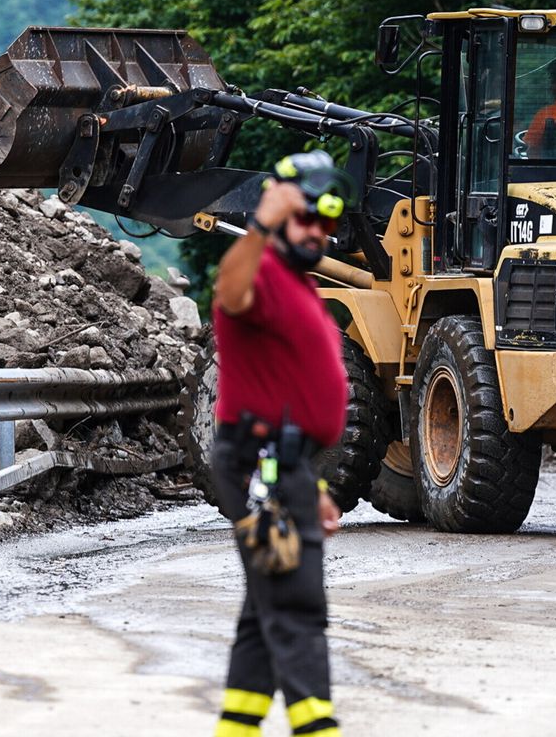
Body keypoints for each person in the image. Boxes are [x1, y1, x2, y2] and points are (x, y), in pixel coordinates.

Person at [208, 150, 350, 737]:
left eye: (326, 223)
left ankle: (235, 729)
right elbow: (228, 291)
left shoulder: (297, 284)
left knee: (262, 611)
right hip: (256, 462)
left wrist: (309, 483)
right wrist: (263, 223)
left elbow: (293, 394)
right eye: (305, 217)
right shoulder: (259, 271)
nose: (316, 231)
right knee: (294, 604)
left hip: (281, 465)